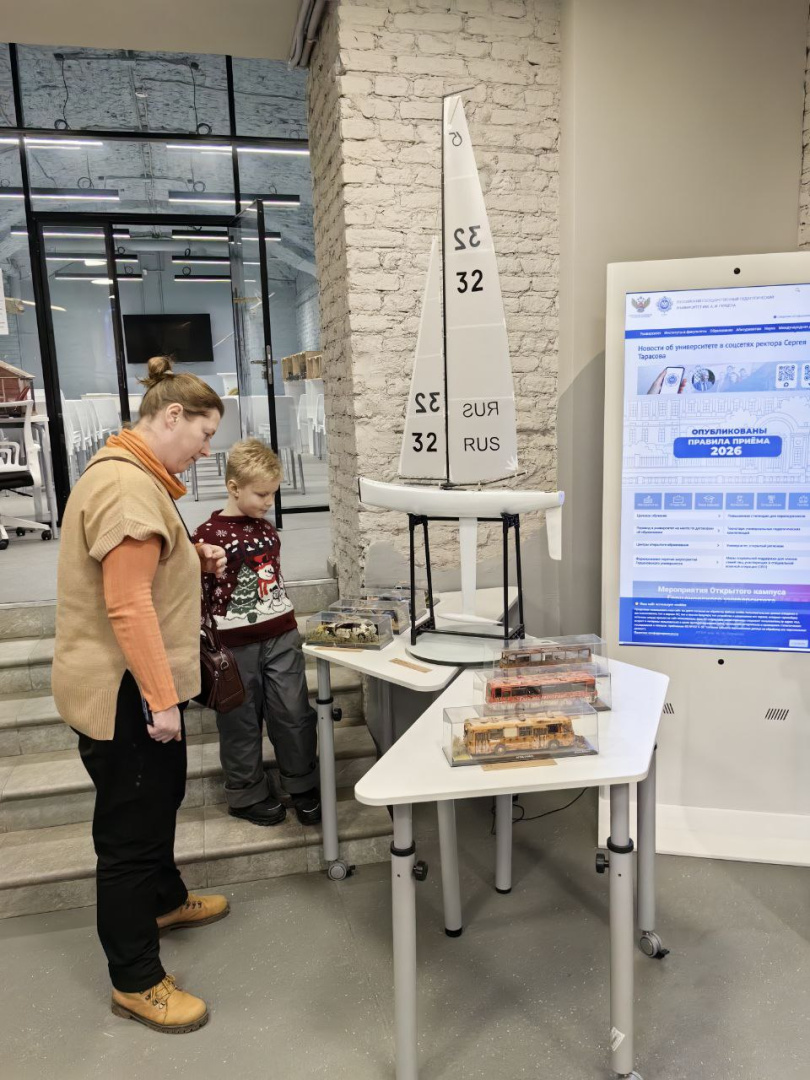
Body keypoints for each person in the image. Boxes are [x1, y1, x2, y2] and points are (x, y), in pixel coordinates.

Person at [52, 356, 229, 1034]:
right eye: (204, 434)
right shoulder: (128, 488)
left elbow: (139, 569)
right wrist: (160, 700)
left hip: (133, 683)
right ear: (172, 416)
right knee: (129, 833)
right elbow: (127, 605)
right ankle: (135, 980)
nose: (206, 450)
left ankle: (165, 899)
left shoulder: (132, 474)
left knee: (159, 802)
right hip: (126, 690)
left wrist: (188, 556)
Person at [192, 439, 320, 827]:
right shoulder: (207, 535)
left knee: (293, 712)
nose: (268, 501)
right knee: (240, 720)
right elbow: (199, 593)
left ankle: (301, 783)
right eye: (261, 494)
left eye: (273, 494)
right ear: (234, 487)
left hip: (281, 636)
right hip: (233, 647)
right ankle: (246, 793)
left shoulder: (266, 530)